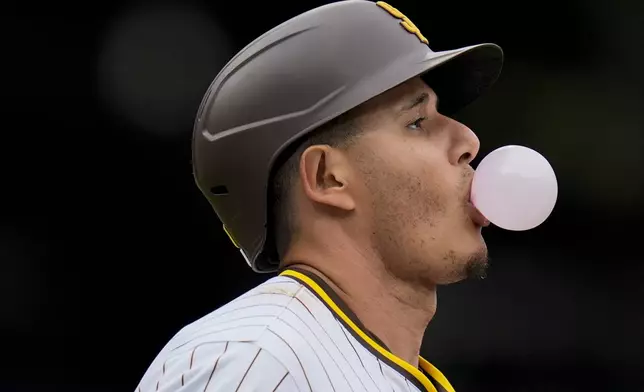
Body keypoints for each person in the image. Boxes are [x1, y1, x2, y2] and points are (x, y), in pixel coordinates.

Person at [136, 0, 503, 391]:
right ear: (327, 178)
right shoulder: (258, 359)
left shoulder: (323, 361)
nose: (468, 139)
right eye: (416, 122)